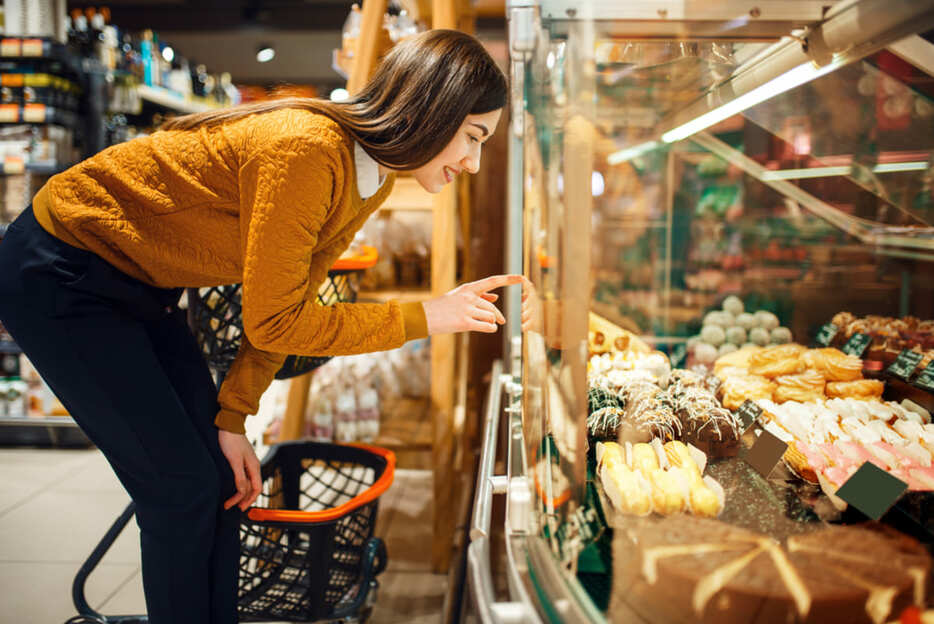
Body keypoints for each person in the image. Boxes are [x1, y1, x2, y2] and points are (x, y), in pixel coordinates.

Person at [0, 29, 519, 624]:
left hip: (140, 283)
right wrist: (424, 316)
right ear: (435, 110)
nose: (474, 163)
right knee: (178, 490)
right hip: (60, 270)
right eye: (473, 137)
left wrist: (232, 418)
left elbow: (284, 309)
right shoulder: (308, 149)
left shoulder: (367, 177)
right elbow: (280, 321)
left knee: (221, 481)